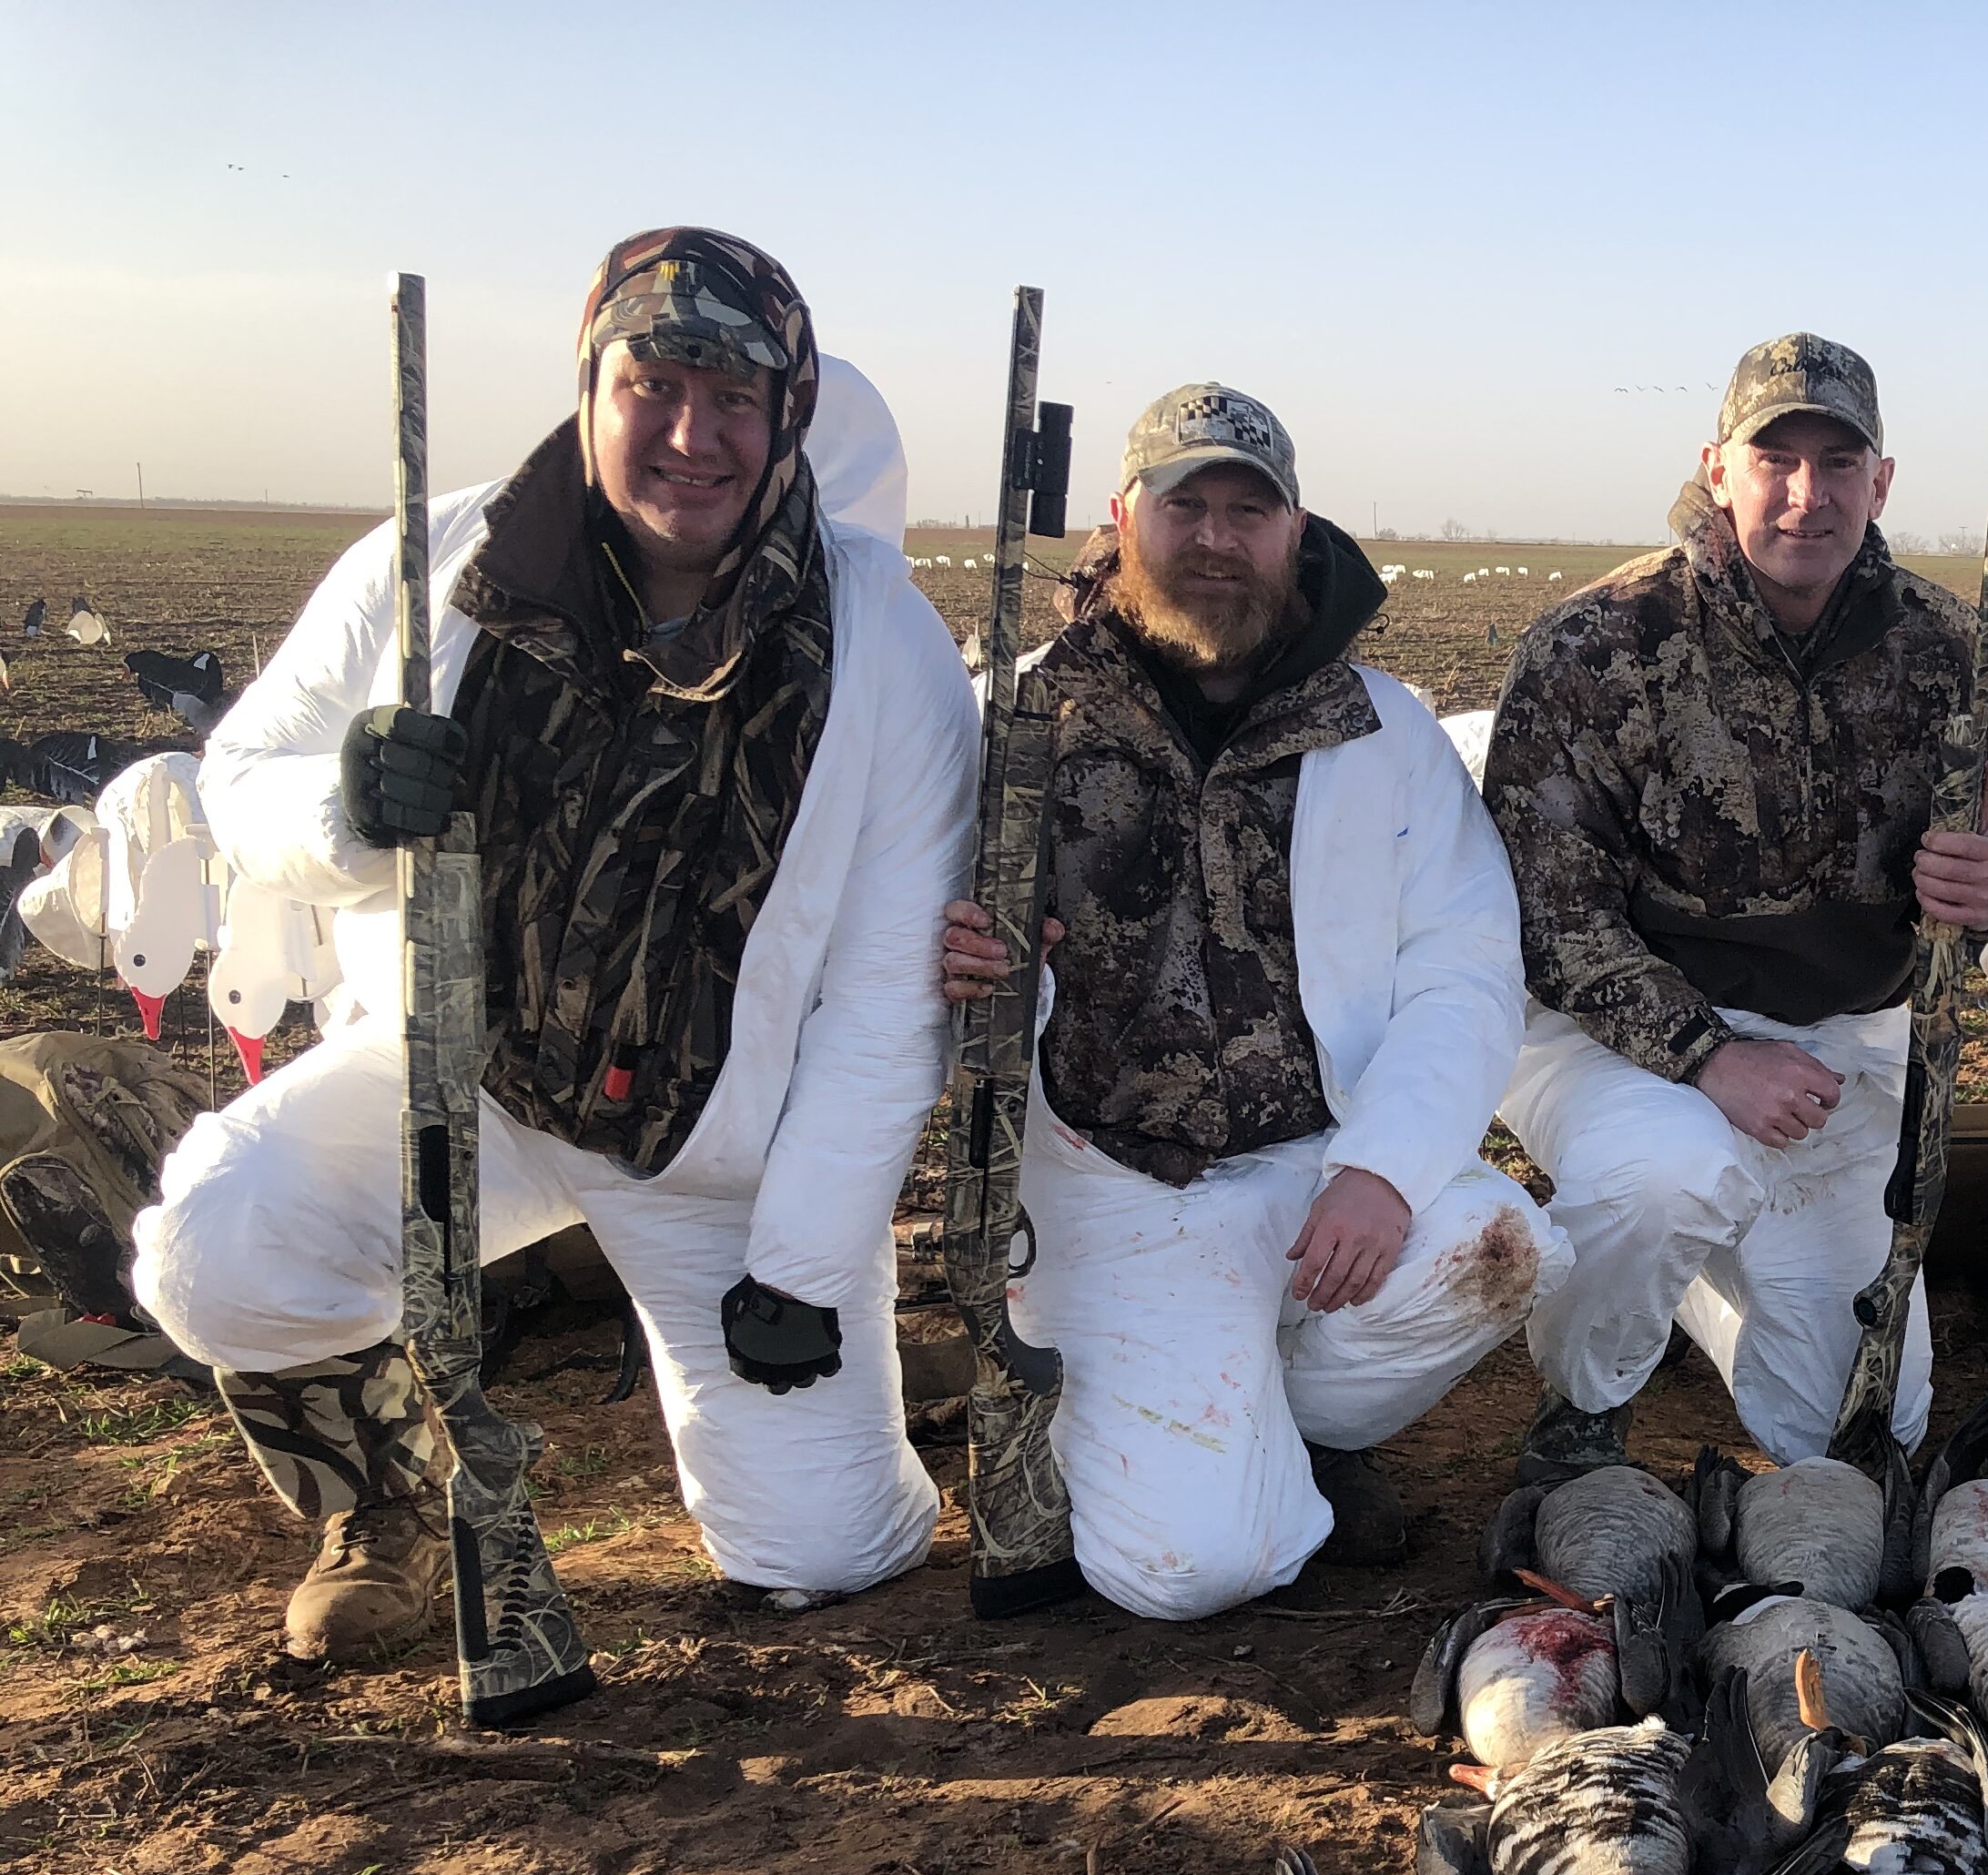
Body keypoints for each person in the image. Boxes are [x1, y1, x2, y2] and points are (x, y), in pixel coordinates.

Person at [143, 228, 971, 1658]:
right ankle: (390, 1498)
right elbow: (241, 771)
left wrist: (804, 1257)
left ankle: (874, 1415)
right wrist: (340, 803)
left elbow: (893, 999)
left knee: (822, 1552)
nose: (692, 434)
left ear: (789, 416)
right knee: (220, 1240)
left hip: (720, 1141)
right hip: (465, 1090)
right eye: (654, 383)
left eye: (737, 397)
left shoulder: (887, 646)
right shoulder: (432, 563)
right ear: (592, 380)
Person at [932, 384, 1559, 1615]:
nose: (1217, 539)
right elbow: (897, 936)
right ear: (1122, 519)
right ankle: (1192, 1428)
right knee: (1193, 1574)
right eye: (1187, 508)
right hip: (1118, 1188)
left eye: (1248, 511)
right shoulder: (1010, 723)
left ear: (1295, 529)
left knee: (1497, 1246)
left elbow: (1464, 964)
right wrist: (944, 956)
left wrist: (1381, 1167)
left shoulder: (1382, 727)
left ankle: (1295, 1426)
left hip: (1314, 1162)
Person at [1484, 333, 1988, 1482]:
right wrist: (1706, 1055)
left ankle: (1698, 1291)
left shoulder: (1951, 655)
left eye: (1840, 461)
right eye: (1774, 456)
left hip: (1837, 1052)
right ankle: (1586, 1398)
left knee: (1861, 1433)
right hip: (1614, 1039)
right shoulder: (1597, 644)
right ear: (1716, 466)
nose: (1806, 492)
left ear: (1882, 483)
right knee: (1665, 1176)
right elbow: (1550, 917)